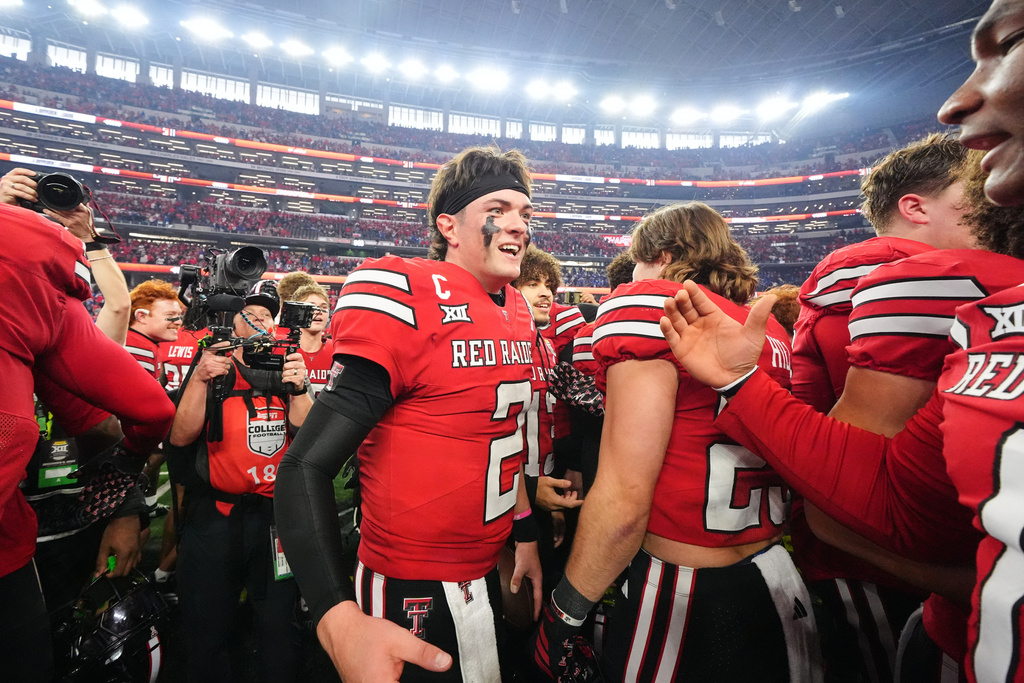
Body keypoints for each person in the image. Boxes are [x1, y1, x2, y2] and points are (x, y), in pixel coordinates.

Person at [658, 7, 1024, 671]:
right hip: (917, 607)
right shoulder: (931, 281)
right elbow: (861, 502)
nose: (957, 101)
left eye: (1014, 43)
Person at [275, 146, 543, 683]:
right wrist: (337, 618)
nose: (518, 225)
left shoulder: (515, 307)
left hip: (487, 564)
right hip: (411, 582)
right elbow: (304, 467)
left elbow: (498, 432)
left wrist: (526, 533)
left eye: (526, 212)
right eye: (499, 208)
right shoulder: (414, 294)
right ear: (450, 225)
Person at [532, 202, 817, 682]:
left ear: (662, 255)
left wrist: (566, 610)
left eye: (639, 259)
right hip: (777, 575)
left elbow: (625, 494)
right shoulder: (764, 331)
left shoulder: (655, 306)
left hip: (687, 587)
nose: (631, 275)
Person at [0, 198, 175, 683]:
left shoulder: (58, 326)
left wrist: (124, 508)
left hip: (63, 529)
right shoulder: (51, 316)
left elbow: (111, 426)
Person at [169, 280, 311, 683]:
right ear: (233, 320)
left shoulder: (288, 363)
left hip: (273, 518)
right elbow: (179, 437)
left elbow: (307, 433)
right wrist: (199, 379)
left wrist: (299, 388)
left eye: (268, 313)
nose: (261, 318)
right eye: (252, 312)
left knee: (279, 626)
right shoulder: (213, 362)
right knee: (207, 624)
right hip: (216, 516)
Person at [792, 134, 974, 415]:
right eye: (975, 192)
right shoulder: (934, 285)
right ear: (915, 208)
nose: (992, 206)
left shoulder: (833, 290)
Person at [125, 279, 184, 384]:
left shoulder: (137, 340)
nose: (179, 322)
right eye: (170, 315)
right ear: (142, 316)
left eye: (179, 315)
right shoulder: (138, 348)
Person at [288, 282, 334, 398]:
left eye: (323, 307)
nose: (318, 311)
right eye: (311, 306)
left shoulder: (338, 351)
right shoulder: (280, 350)